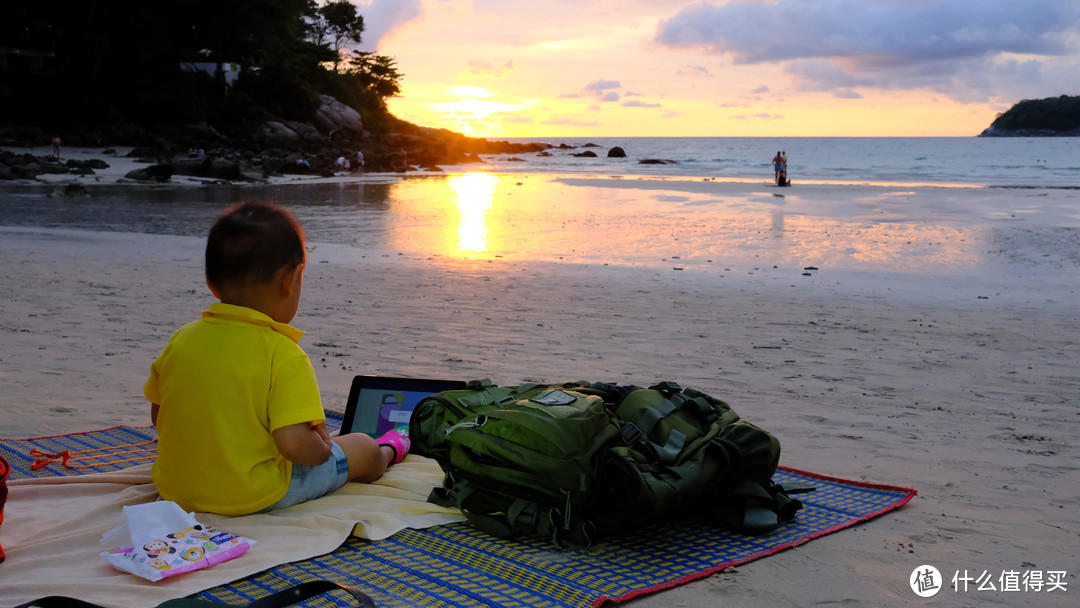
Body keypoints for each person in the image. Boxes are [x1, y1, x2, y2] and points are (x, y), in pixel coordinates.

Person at [144, 201, 410, 516]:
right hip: (251, 495)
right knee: (362, 447)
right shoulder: (283, 353)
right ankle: (391, 449)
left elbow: (159, 416)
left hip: (175, 489)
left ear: (210, 282)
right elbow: (296, 446)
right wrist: (324, 447)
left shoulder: (182, 338)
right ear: (291, 280)